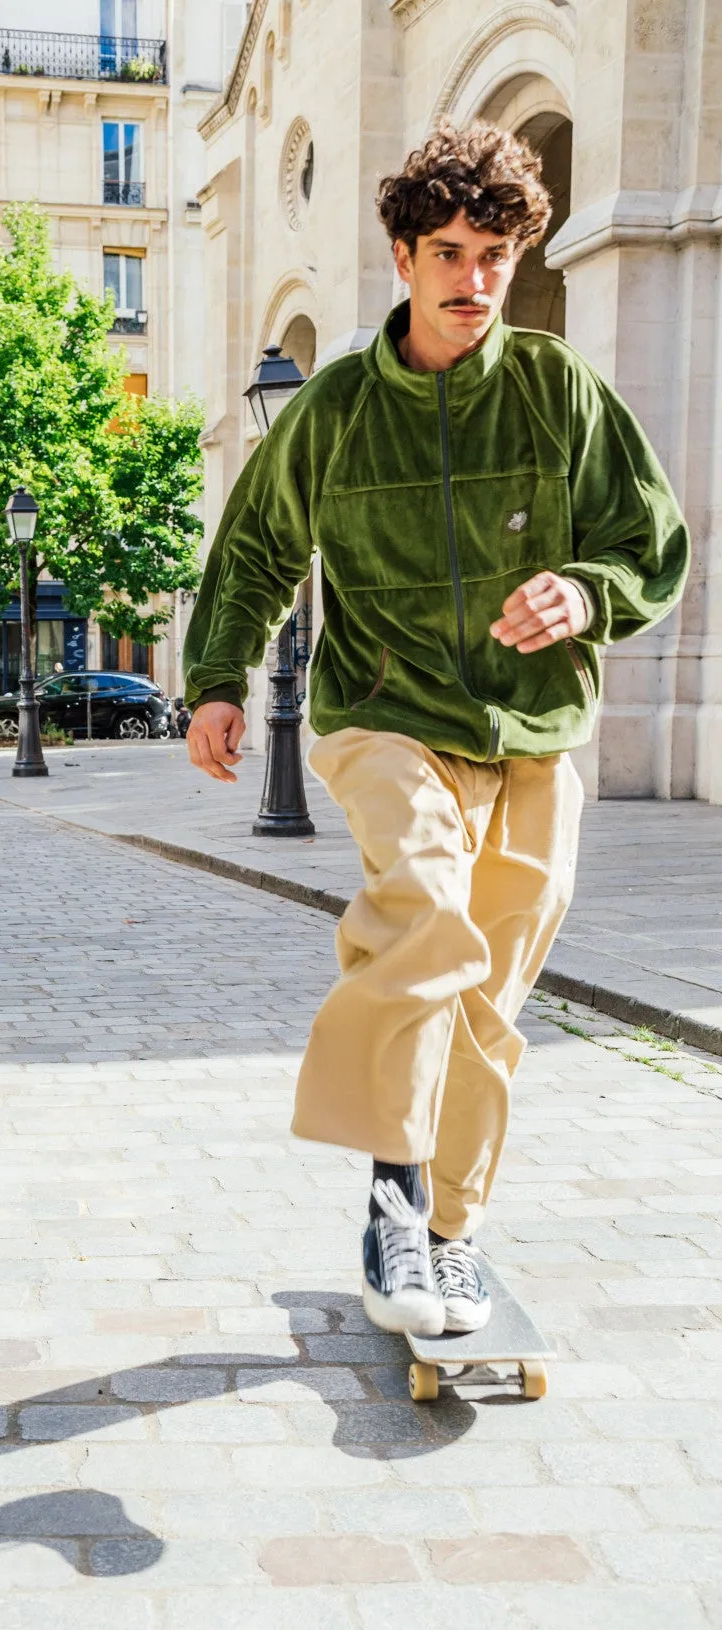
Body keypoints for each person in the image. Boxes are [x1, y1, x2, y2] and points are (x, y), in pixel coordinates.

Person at [184, 122, 689, 1336]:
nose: (475, 281)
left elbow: (651, 541)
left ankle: (447, 1232)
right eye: (451, 253)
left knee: (491, 1002)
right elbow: (255, 546)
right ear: (404, 257)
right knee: (422, 906)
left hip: (533, 734)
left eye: (498, 256)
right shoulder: (341, 407)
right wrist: (218, 677)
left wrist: (586, 591)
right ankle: (391, 1202)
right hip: (385, 713)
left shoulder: (557, 387)